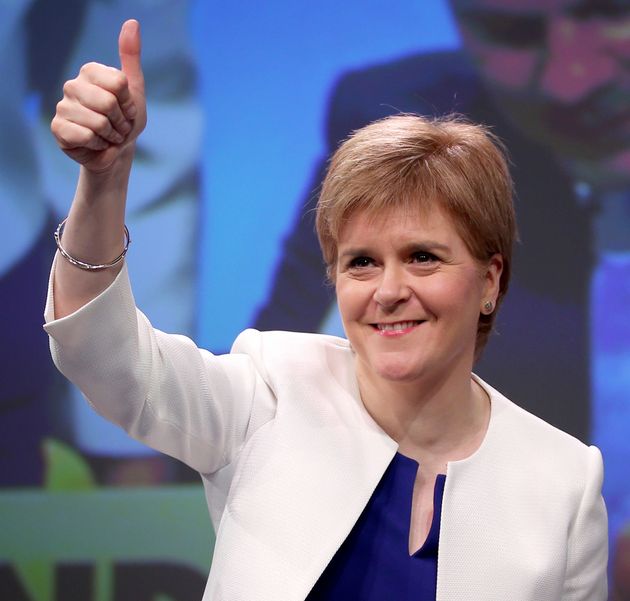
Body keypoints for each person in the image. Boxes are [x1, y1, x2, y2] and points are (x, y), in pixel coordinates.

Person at [44, 19, 608, 601]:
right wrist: (103, 182)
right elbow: (103, 357)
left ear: (490, 280)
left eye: (422, 257)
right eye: (361, 262)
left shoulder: (563, 481)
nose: (388, 290)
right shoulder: (270, 391)